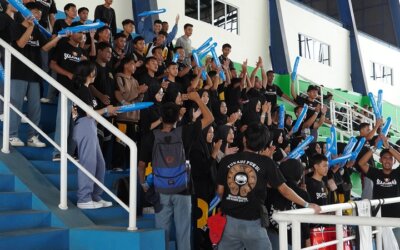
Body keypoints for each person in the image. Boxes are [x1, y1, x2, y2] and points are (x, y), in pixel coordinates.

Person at [216, 122, 320, 250]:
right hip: (253, 222)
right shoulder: (266, 163)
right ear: (264, 143)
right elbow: (284, 190)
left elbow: (220, 191)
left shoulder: (227, 160)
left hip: (229, 222)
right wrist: (306, 204)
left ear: (244, 139)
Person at [139, 91, 214, 250]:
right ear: (178, 117)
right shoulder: (186, 132)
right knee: (183, 232)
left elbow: (141, 165)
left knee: (162, 233)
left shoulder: (151, 137)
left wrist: (144, 184)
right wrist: (197, 99)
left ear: (161, 117)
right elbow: (209, 118)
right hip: (183, 189)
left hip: (160, 189)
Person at [8, 2, 60, 147]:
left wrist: (58, 38)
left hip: (34, 74)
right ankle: (12, 135)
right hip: (18, 73)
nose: (39, 15)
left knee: (35, 109)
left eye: (40, 13)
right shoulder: (16, 26)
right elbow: (21, 44)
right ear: (26, 12)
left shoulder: (37, 30)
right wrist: (30, 27)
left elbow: (44, 47)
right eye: (36, 12)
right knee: (16, 105)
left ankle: (33, 137)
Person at [72, 60, 119, 209]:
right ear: (88, 72)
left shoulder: (88, 90)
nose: (95, 73)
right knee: (89, 162)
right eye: (93, 70)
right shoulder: (82, 90)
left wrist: (106, 111)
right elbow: (88, 113)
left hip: (90, 125)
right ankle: (84, 198)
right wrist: (106, 110)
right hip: (84, 125)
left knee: (100, 163)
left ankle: (95, 196)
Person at [50, 22, 86, 161]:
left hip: (77, 93)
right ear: (72, 32)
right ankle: (58, 152)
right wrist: (68, 74)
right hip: (65, 92)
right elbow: (52, 65)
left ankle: (70, 153)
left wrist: (85, 62)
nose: (81, 35)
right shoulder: (63, 46)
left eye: (83, 33)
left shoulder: (82, 52)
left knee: (74, 122)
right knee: (63, 122)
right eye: (79, 32)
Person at [357, 135, 400, 245]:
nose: (387, 160)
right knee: (382, 246)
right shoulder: (376, 173)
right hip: (379, 217)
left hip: (396, 217)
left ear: (394, 161)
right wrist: (374, 147)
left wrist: (389, 147)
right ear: (380, 160)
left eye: (390, 158)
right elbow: (361, 163)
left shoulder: (397, 173)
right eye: (385, 158)